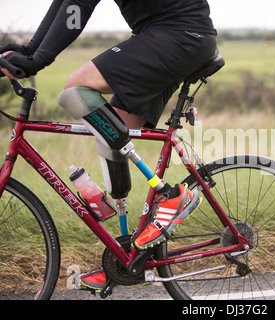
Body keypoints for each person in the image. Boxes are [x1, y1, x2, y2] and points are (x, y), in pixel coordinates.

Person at [0, 0, 218, 290]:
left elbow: (79, 5)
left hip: (177, 35)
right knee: (112, 132)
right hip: (174, 36)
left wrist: (37, 61)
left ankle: (170, 195)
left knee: (76, 88)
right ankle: (126, 255)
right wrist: (29, 51)